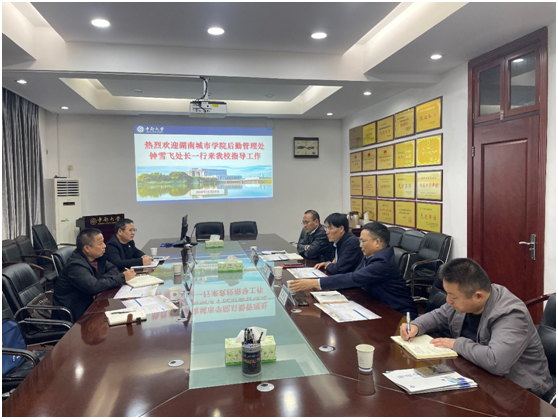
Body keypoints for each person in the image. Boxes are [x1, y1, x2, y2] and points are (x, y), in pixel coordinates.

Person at [399, 258, 553, 399]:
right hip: (478, 377)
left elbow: (496, 362)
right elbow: (438, 316)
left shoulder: (510, 313)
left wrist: (457, 344)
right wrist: (416, 325)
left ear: (478, 296)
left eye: (453, 296)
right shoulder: (465, 300)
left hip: (520, 393)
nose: (448, 300)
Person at [289, 222, 417, 317]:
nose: (360, 245)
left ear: (377, 242)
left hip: (399, 315)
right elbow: (356, 275)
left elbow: (354, 278)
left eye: (363, 241)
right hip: (377, 304)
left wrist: (315, 283)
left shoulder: (382, 263)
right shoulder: (372, 255)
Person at [53, 228, 135, 321]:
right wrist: (122, 277)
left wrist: (100, 282)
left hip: (90, 305)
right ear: (87, 248)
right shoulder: (75, 266)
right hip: (75, 315)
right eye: (100, 243)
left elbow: (113, 269)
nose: (104, 246)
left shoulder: (97, 258)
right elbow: (94, 287)